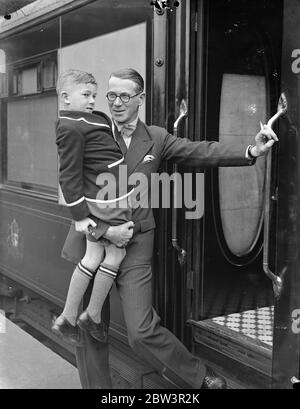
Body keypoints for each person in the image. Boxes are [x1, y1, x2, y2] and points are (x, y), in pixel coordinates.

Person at [61, 68, 278, 389]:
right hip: (92, 239)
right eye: (111, 96)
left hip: (134, 242)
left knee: (141, 330)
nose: (116, 103)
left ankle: (200, 377)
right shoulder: (91, 127)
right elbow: (69, 178)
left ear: (140, 99)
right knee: (91, 329)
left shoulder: (157, 137)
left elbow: (199, 151)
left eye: (124, 96)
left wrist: (251, 150)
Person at [52, 69, 134, 345]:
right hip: (107, 200)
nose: (91, 101)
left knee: (91, 258)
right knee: (115, 256)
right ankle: (92, 314)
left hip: (104, 196)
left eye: (94, 96)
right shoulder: (70, 127)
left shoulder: (85, 120)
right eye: (85, 95)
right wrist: (79, 217)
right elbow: (68, 175)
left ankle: (68, 316)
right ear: (65, 97)